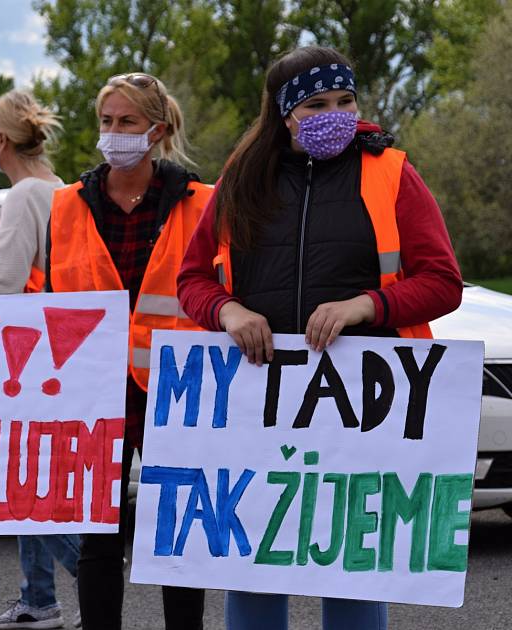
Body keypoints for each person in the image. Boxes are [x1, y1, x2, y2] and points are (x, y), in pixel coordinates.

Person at [176, 46, 462, 630]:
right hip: (258, 412)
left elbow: (443, 282)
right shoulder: (240, 179)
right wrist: (227, 311)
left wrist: (368, 305)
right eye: (316, 104)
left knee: (353, 570)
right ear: (284, 114)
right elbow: (192, 279)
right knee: (253, 568)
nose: (337, 113)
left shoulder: (392, 172)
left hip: (362, 411)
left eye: (346, 100)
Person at [46, 72, 210, 630]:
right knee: (98, 537)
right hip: (95, 393)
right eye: (106, 121)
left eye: (127, 122)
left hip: (178, 389)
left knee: (178, 537)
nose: (113, 133)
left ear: (157, 131)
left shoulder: (200, 202)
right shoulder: (66, 204)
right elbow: (49, 299)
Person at [0, 89, 82, 630]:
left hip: (22, 357)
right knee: (34, 474)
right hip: (57, 353)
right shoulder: (60, 190)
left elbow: (0, 286)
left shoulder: (21, 197)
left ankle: (93, 574)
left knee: (19, 483)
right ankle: (38, 597)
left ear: (1, 141)